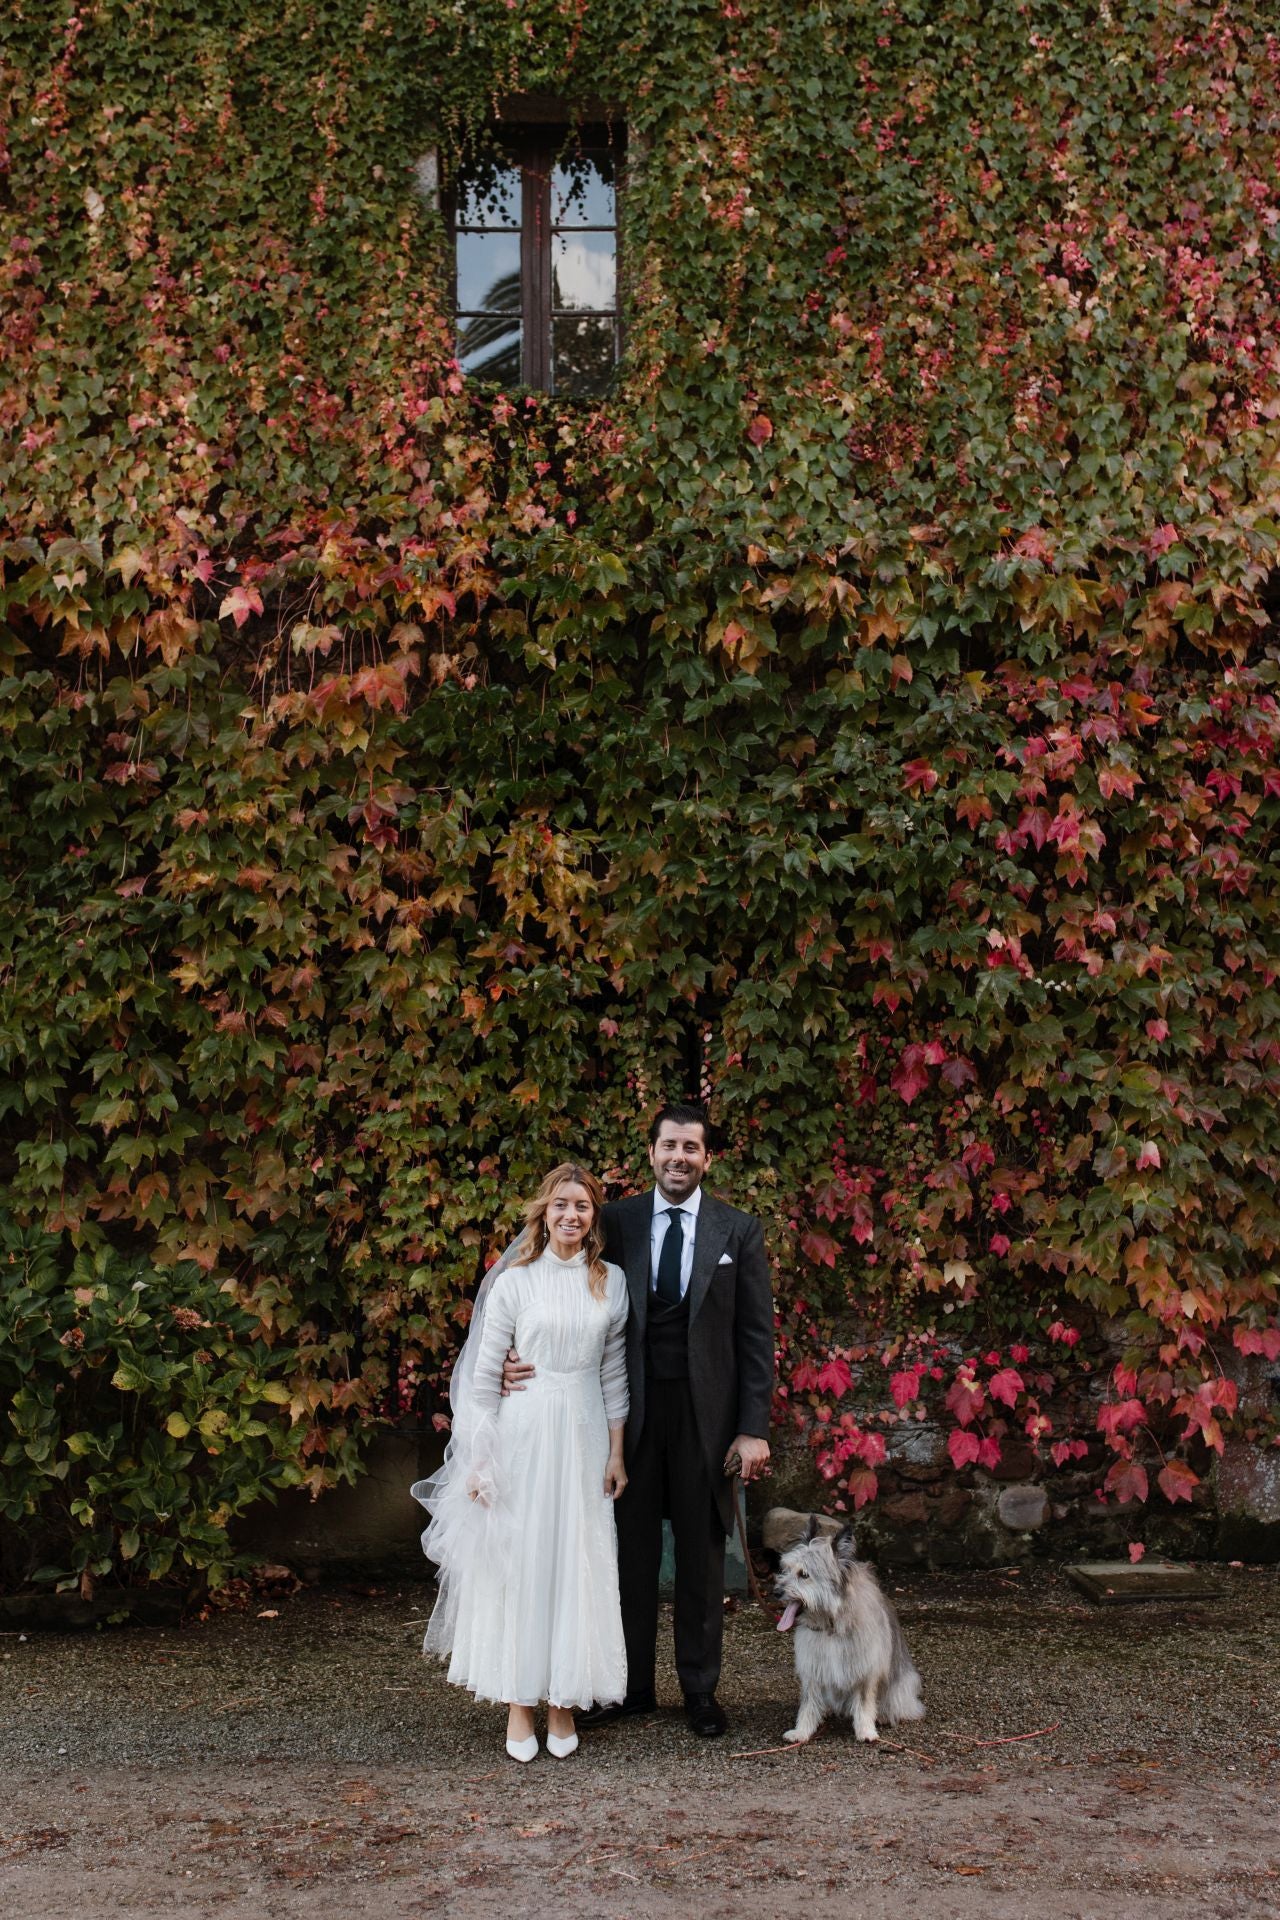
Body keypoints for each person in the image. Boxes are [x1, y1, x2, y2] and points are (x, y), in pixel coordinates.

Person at [503, 1102, 773, 1738]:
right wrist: (514, 1359)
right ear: (651, 1153)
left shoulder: (738, 1230)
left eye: (692, 1148)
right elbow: (556, 1280)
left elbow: (756, 1336)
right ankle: (629, 1688)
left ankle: (701, 1690)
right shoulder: (616, 1221)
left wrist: (753, 1426)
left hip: (708, 1417)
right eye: (668, 1146)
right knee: (627, 1554)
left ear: (708, 1158)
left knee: (704, 1557)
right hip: (626, 1413)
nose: (679, 1157)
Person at [411, 1164, 629, 1763]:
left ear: (593, 1216)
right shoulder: (514, 1282)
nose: (571, 1216)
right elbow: (482, 1383)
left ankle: (563, 1702)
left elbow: (614, 1374)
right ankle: (519, 1704)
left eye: (582, 1206)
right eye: (561, 1204)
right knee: (526, 1562)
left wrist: (615, 1452)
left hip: (584, 1438)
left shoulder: (611, 1282)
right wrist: (480, 1463)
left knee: (574, 1561)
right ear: (544, 1212)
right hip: (524, 1437)